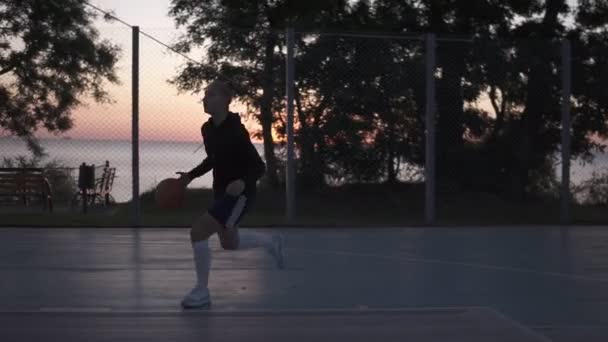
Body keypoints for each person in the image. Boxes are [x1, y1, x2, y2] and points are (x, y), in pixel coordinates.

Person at [177, 79, 284, 309]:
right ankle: (270, 242)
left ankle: (201, 291)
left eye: (211, 94)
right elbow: (213, 159)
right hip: (221, 193)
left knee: (198, 232)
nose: (205, 98)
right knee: (229, 242)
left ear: (226, 100)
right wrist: (190, 176)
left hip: (240, 195)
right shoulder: (207, 129)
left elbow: (258, 167)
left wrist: (241, 182)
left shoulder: (236, 130)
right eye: (204, 95)